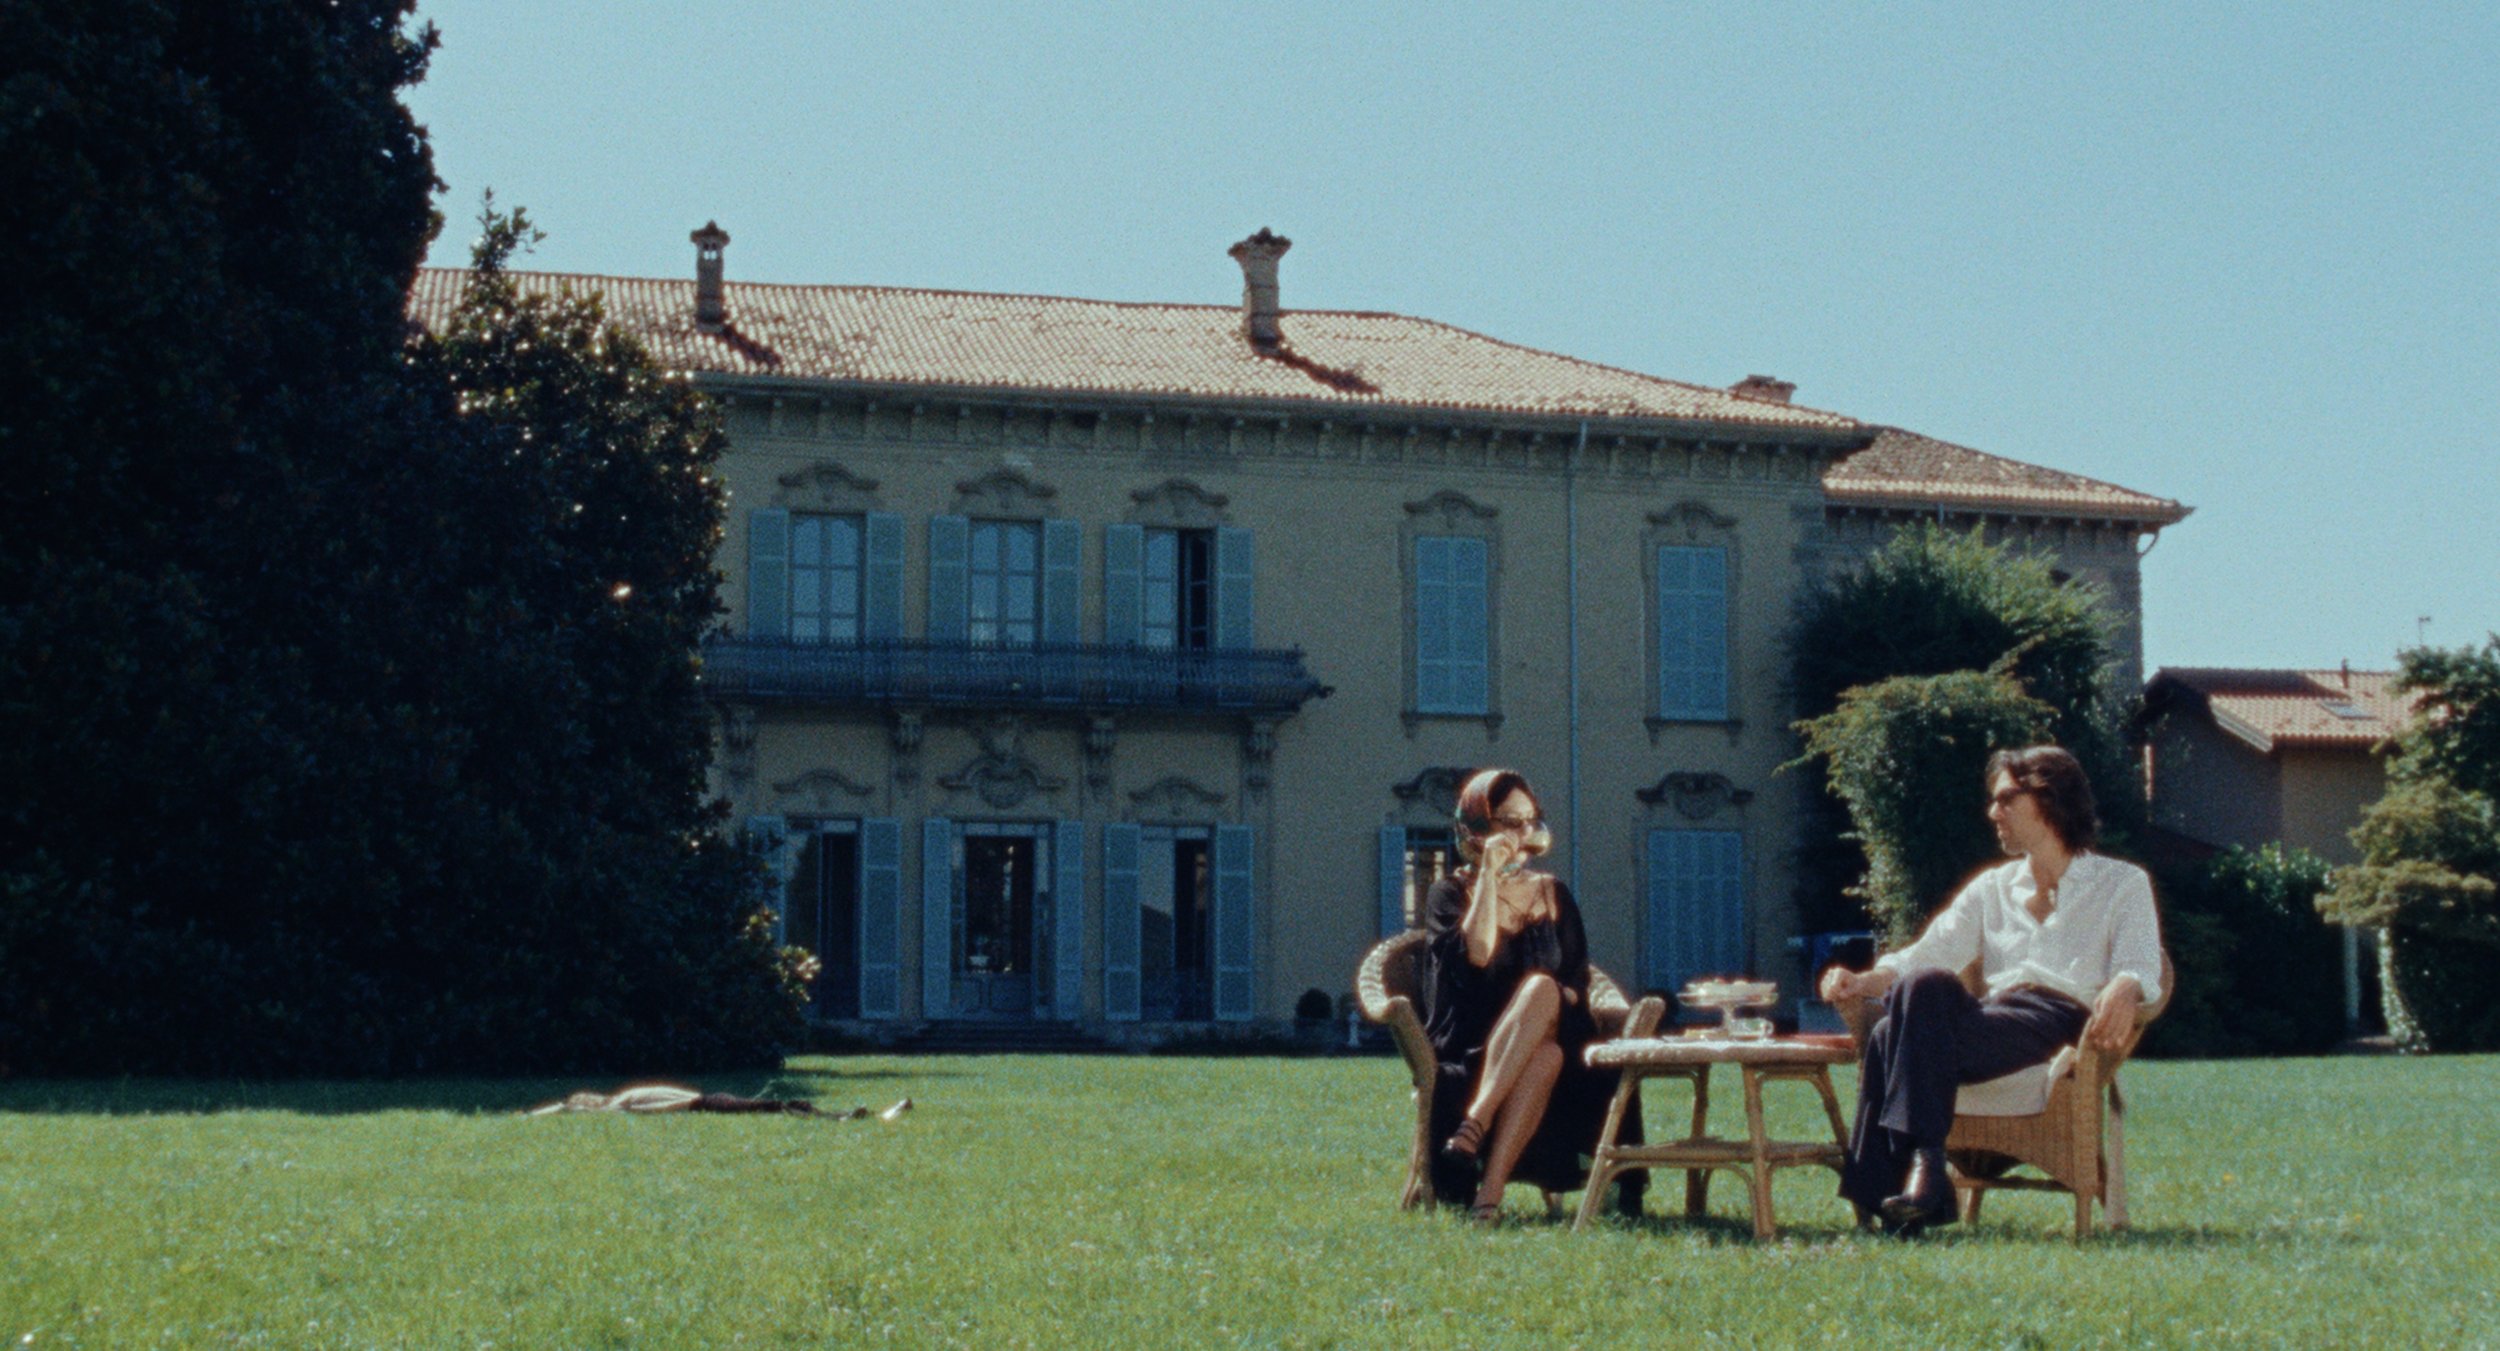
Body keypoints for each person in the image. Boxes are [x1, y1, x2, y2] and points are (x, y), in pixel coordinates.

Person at [1819, 745, 2164, 1235]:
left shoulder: (2121, 883)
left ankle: (1902, 1192)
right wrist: (1863, 981)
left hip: (2059, 1023)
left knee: (1886, 1035)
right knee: (1920, 987)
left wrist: (2127, 985)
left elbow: (2142, 963)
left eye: (2006, 799)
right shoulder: (1992, 887)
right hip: (1992, 1023)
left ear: (2048, 800)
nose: (1992, 812)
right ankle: (1926, 1167)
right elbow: (1929, 952)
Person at [1422, 768, 1643, 1222]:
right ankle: (1488, 1198)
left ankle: (1475, 1123)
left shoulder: (1552, 892)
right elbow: (1477, 954)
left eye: (1530, 821)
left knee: (1542, 988)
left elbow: (1577, 981)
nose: (1523, 833)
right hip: (1479, 1034)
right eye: (1509, 821)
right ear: (1477, 826)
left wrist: (1549, 1002)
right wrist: (1488, 875)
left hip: (1560, 1023)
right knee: (1545, 1058)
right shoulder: (1448, 893)